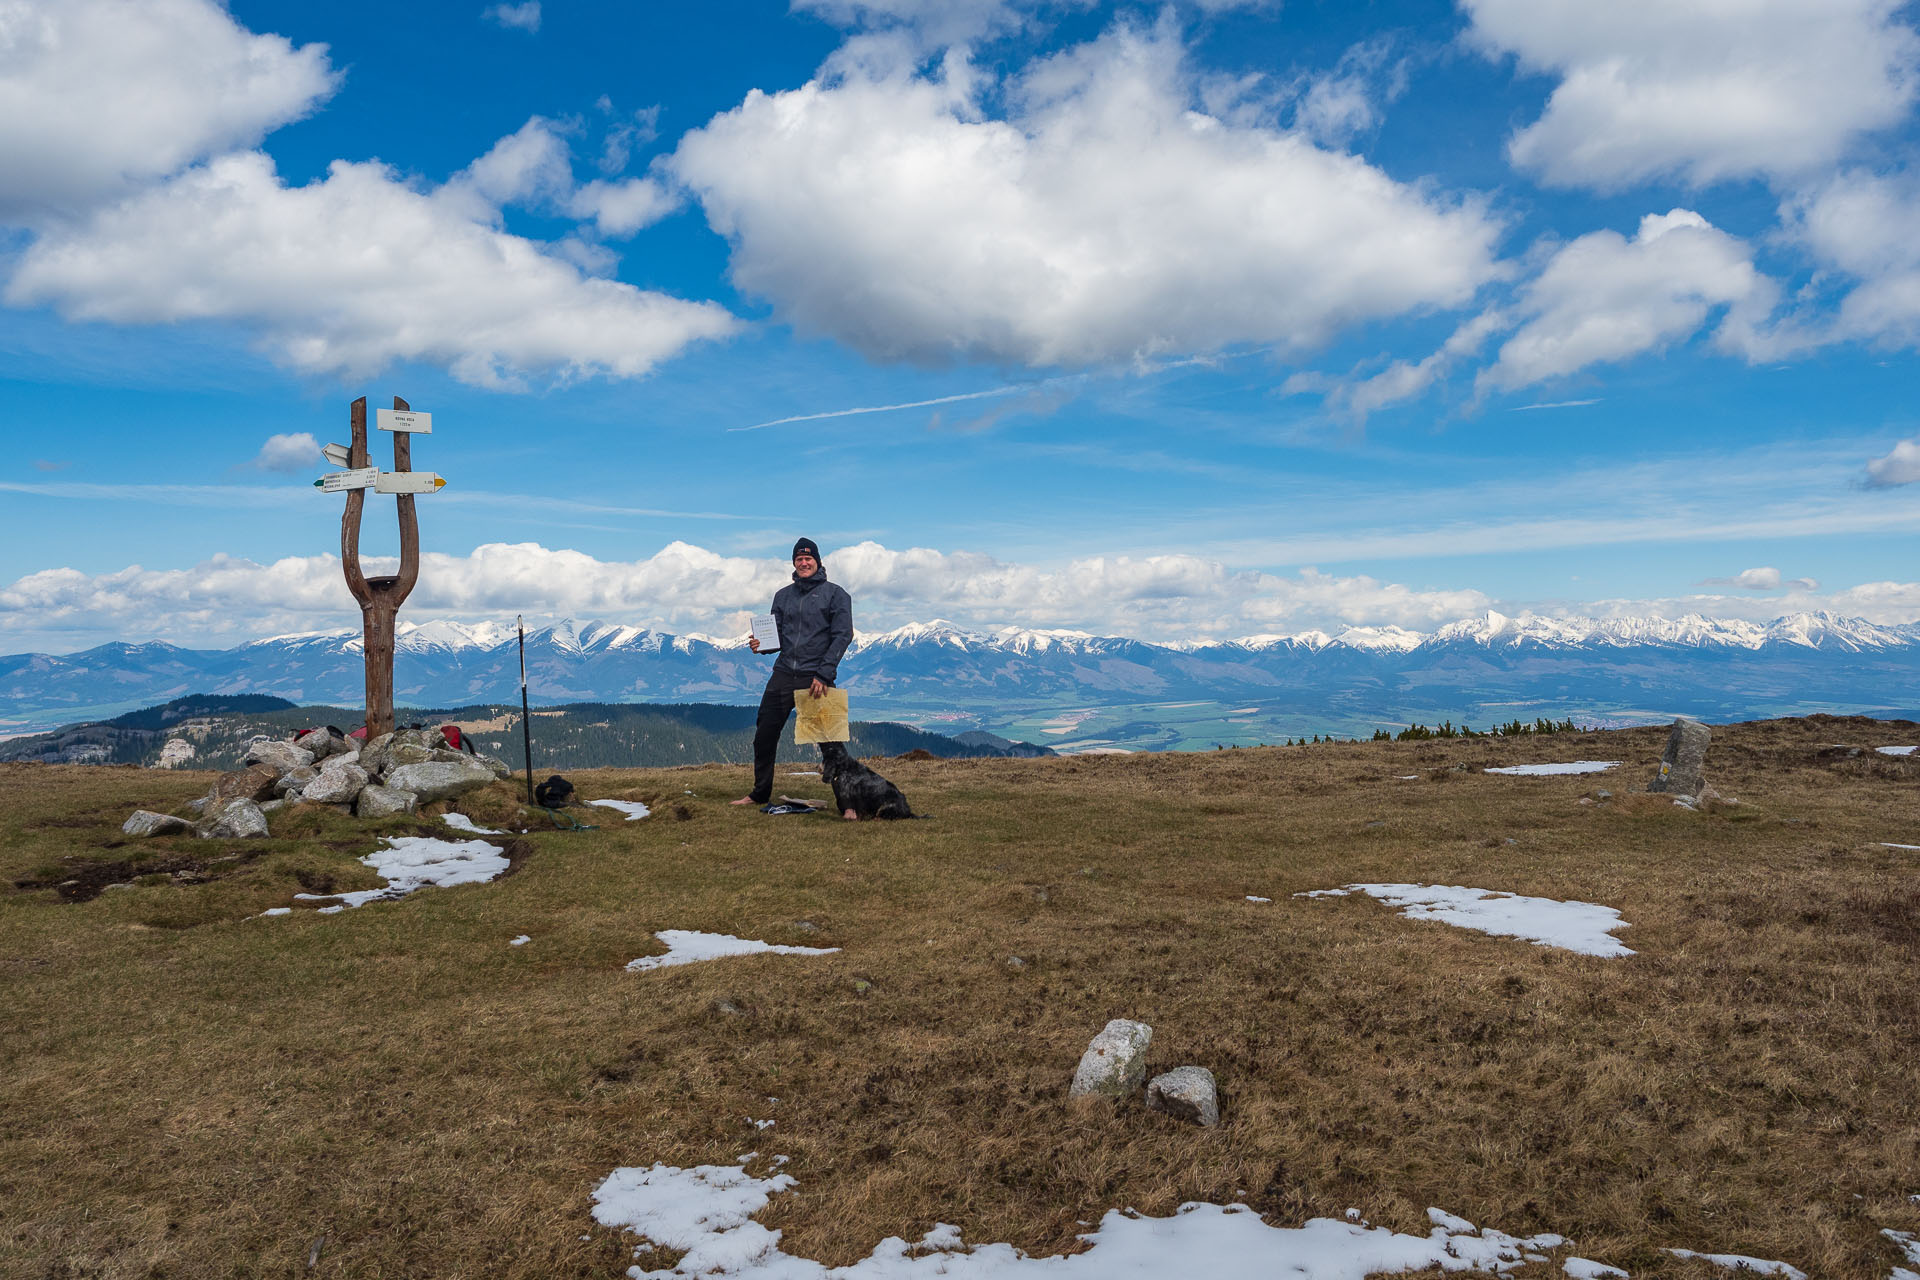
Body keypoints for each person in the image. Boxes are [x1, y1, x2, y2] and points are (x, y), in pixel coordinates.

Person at [731, 538, 853, 807]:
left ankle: (848, 804)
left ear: (818, 562)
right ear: (794, 563)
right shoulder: (782, 596)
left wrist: (823, 673)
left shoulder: (836, 594)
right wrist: (760, 645)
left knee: (830, 743)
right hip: (784, 673)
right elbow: (776, 638)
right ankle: (759, 794)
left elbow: (843, 635)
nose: (804, 562)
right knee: (764, 734)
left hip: (816, 676)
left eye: (809, 559)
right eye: (799, 559)